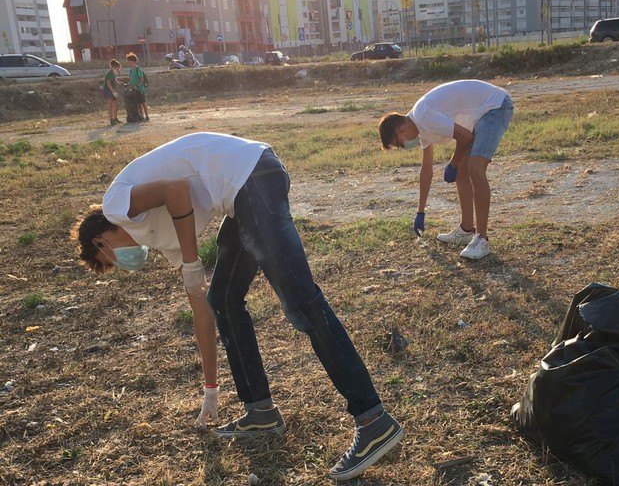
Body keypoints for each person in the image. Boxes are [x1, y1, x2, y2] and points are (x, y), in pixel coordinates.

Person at [72, 132, 403, 482]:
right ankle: (260, 411)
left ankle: (373, 420)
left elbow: (176, 190)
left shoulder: (115, 207)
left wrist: (190, 260)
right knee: (223, 300)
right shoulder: (154, 238)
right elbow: (201, 310)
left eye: (109, 260)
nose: (121, 264)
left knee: (301, 301)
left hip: (252, 177)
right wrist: (210, 390)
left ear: (100, 241)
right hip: (245, 193)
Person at [378, 79, 514, 260]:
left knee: (475, 167)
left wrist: (453, 163)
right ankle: (466, 229)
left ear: (400, 129)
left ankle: (482, 239)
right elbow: (426, 170)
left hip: (495, 106)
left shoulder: (423, 116)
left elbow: (464, 137)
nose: (404, 147)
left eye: (399, 144)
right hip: (481, 113)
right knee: (462, 173)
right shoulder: (420, 127)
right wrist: (420, 212)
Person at [126, 52, 149, 122]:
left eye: (129, 61)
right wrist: (128, 84)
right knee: (138, 104)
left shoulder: (138, 69)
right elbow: (132, 79)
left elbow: (142, 79)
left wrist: (137, 86)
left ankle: (147, 116)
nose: (128, 62)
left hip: (140, 88)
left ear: (133, 61)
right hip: (134, 89)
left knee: (143, 102)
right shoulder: (131, 70)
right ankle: (142, 116)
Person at [102, 59, 121, 126]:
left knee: (116, 104)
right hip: (108, 90)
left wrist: (118, 82)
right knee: (110, 105)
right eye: (118, 68)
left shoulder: (113, 73)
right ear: (114, 67)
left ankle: (115, 118)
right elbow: (108, 83)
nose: (118, 70)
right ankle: (111, 119)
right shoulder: (110, 73)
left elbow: (114, 80)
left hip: (112, 90)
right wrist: (113, 91)